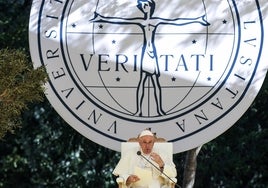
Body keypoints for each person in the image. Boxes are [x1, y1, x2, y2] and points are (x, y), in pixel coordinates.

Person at [90, 0, 210, 117]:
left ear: (150, 7)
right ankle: (139, 111)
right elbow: (121, 21)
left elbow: (175, 21)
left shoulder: (155, 20)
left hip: (152, 54)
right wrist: (101, 18)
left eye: (146, 5)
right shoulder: (141, 21)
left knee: (155, 83)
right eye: (142, 6)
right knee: (142, 83)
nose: (144, 7)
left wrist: (197, 20)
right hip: (145, 54)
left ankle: (159, 110)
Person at [113, 129, 177, 188]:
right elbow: (121, 173)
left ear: (153, 142)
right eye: (144, 142)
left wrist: (161, 164)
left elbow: (173, 174)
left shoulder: (162, 154)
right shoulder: (130, 153)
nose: (147, 146)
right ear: (139, 143)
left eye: (150, 142)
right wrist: (128, 179)